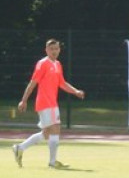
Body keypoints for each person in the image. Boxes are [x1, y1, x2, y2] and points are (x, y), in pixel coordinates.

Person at [12, 38, 85, 169]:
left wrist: (75, 91)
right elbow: (32, 83)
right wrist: (24, 100)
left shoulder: (57, 64)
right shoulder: (42, 64)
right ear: (46, 50)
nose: (54, 51)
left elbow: (62, 83)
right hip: (45, 103)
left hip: (52, 103)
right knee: (56, 128)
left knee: (47, 133)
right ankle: (52, 162)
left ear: (59, 50)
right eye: (51, 49)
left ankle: (20, 148)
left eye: (56, 48)